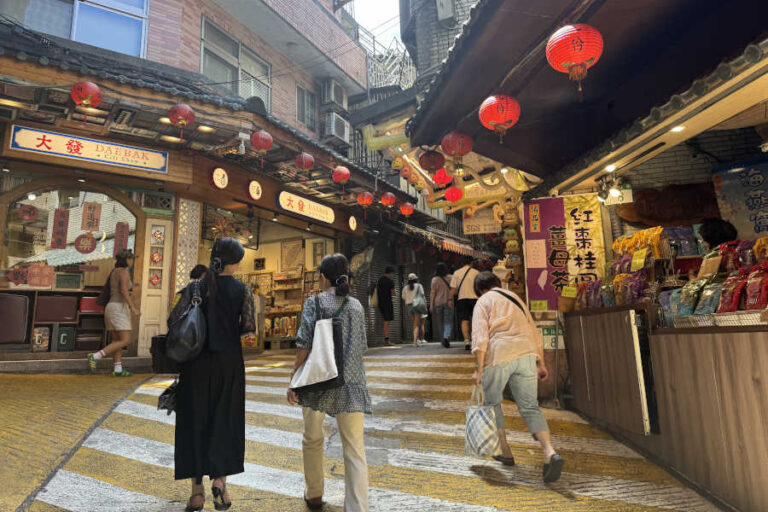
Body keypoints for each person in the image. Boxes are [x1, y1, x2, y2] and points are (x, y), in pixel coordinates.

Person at [171, 237, 256, 511]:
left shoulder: (195, 286)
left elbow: (175, 320)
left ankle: (196, 493)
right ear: (236, 262)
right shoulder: (242, 289)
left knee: (195, 422)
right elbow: (248, 326)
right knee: (225, 421)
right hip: (228, 365)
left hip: (195, 365)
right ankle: (220, 482)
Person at [287, 253, 371, 511]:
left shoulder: (315, 302)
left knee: (312, 438)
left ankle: (314, 494)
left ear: (323, 277)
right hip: (352, 384)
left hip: (318, 383)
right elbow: (362, 346)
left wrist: (293, 379)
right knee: (355, 449)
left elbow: (303, 343)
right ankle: (357, 507)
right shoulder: (356, 305)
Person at [471, 271, 563, 483]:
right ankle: (549, 451)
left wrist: (479, 367)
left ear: (480, 290)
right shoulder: (516, 298)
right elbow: (533, 330)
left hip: (498, 354)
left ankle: (505, 451)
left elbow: (480, 336)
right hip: (526, 353)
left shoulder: (483, 301)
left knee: (493, 403)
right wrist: (540, 362)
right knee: (530, 406)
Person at [87, 249, 140, 376]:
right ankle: (96, 356)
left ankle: (118, 369)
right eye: (131, 259)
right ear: (127, 260)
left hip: (111, 307)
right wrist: (132, 307)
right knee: (126, 340)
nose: (132, 261)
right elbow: (123, 290)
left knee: (117, 340)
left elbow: (119, 289)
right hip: (118, 308)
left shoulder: (115, 271)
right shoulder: (124, 272)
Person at [450, 258, 479, 351]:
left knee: (464, 320)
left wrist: (450, 299)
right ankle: (476, 340)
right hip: (475, 299)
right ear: (471, 263)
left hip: (462, 299)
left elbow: (453, 289)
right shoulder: (476, 272)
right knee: (476, 320)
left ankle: (467, 341)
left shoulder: (457, 273)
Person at [430, 262, 454, 348]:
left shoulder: (434, 279)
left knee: (440, 323)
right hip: (448, 302)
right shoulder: (451, 278)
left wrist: (431, 305)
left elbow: (433, 293)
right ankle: (446, 336)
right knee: (448, 321)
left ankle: (443, 341)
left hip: (438, 303)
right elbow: (454, 289)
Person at [402, 273, 428, 346]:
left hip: (409, 306)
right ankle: (415, 342)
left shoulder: (405, 288)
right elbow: (422, 294)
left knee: (414, 324)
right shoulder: (419, 286)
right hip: (417, 305)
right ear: (416, 279)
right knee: (417, 324)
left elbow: (403, 297)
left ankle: (416, 340)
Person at [376, 266, 396, 345]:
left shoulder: (380, 280)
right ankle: (386, 340)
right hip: (387, 303)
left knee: (385, 320)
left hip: (380, 303)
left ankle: (386, 339)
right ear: (390, 273)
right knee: (387, 322)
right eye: (392, 273)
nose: (392, 275)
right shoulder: (390, 281)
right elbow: (394, 293)